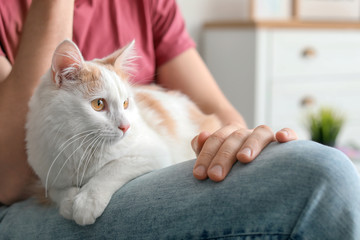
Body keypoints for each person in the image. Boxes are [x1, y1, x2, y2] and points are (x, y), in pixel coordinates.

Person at [0, 0, 359, 239]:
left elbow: (216, 112)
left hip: (143, 165)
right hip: (32, 203)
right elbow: (10, 180)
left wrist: (239, 141)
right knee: (320, 176)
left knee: (314, 167)